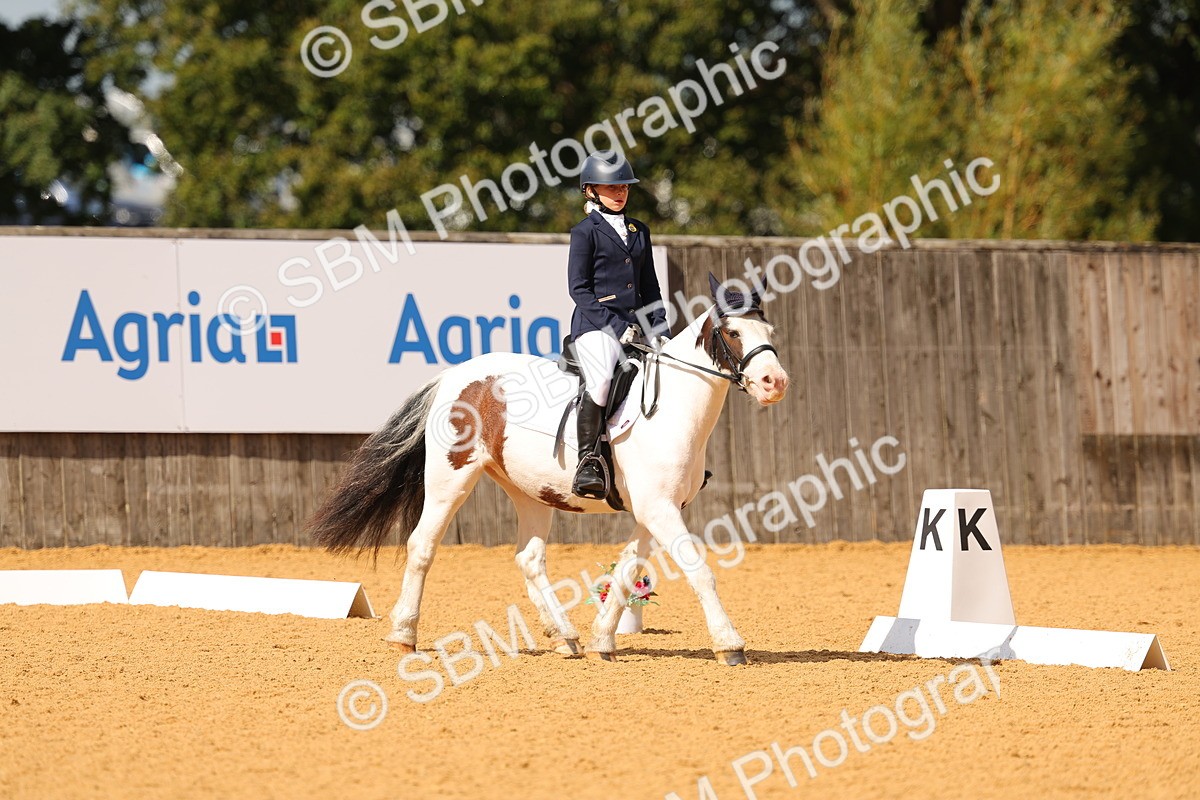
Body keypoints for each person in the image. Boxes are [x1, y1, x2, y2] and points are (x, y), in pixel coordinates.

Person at [566, 150, 667, 499]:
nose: (620, 192)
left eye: (623, 186)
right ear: (591, 190)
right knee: (603, 378)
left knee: (667, 375)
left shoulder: (640, 231)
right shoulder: (585, 232)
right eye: (611, 187)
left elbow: (650, 286)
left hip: (638, 326)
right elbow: (578, 289)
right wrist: (614, 326)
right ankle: (588, 460)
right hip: (596, 327)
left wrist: (660, 329)